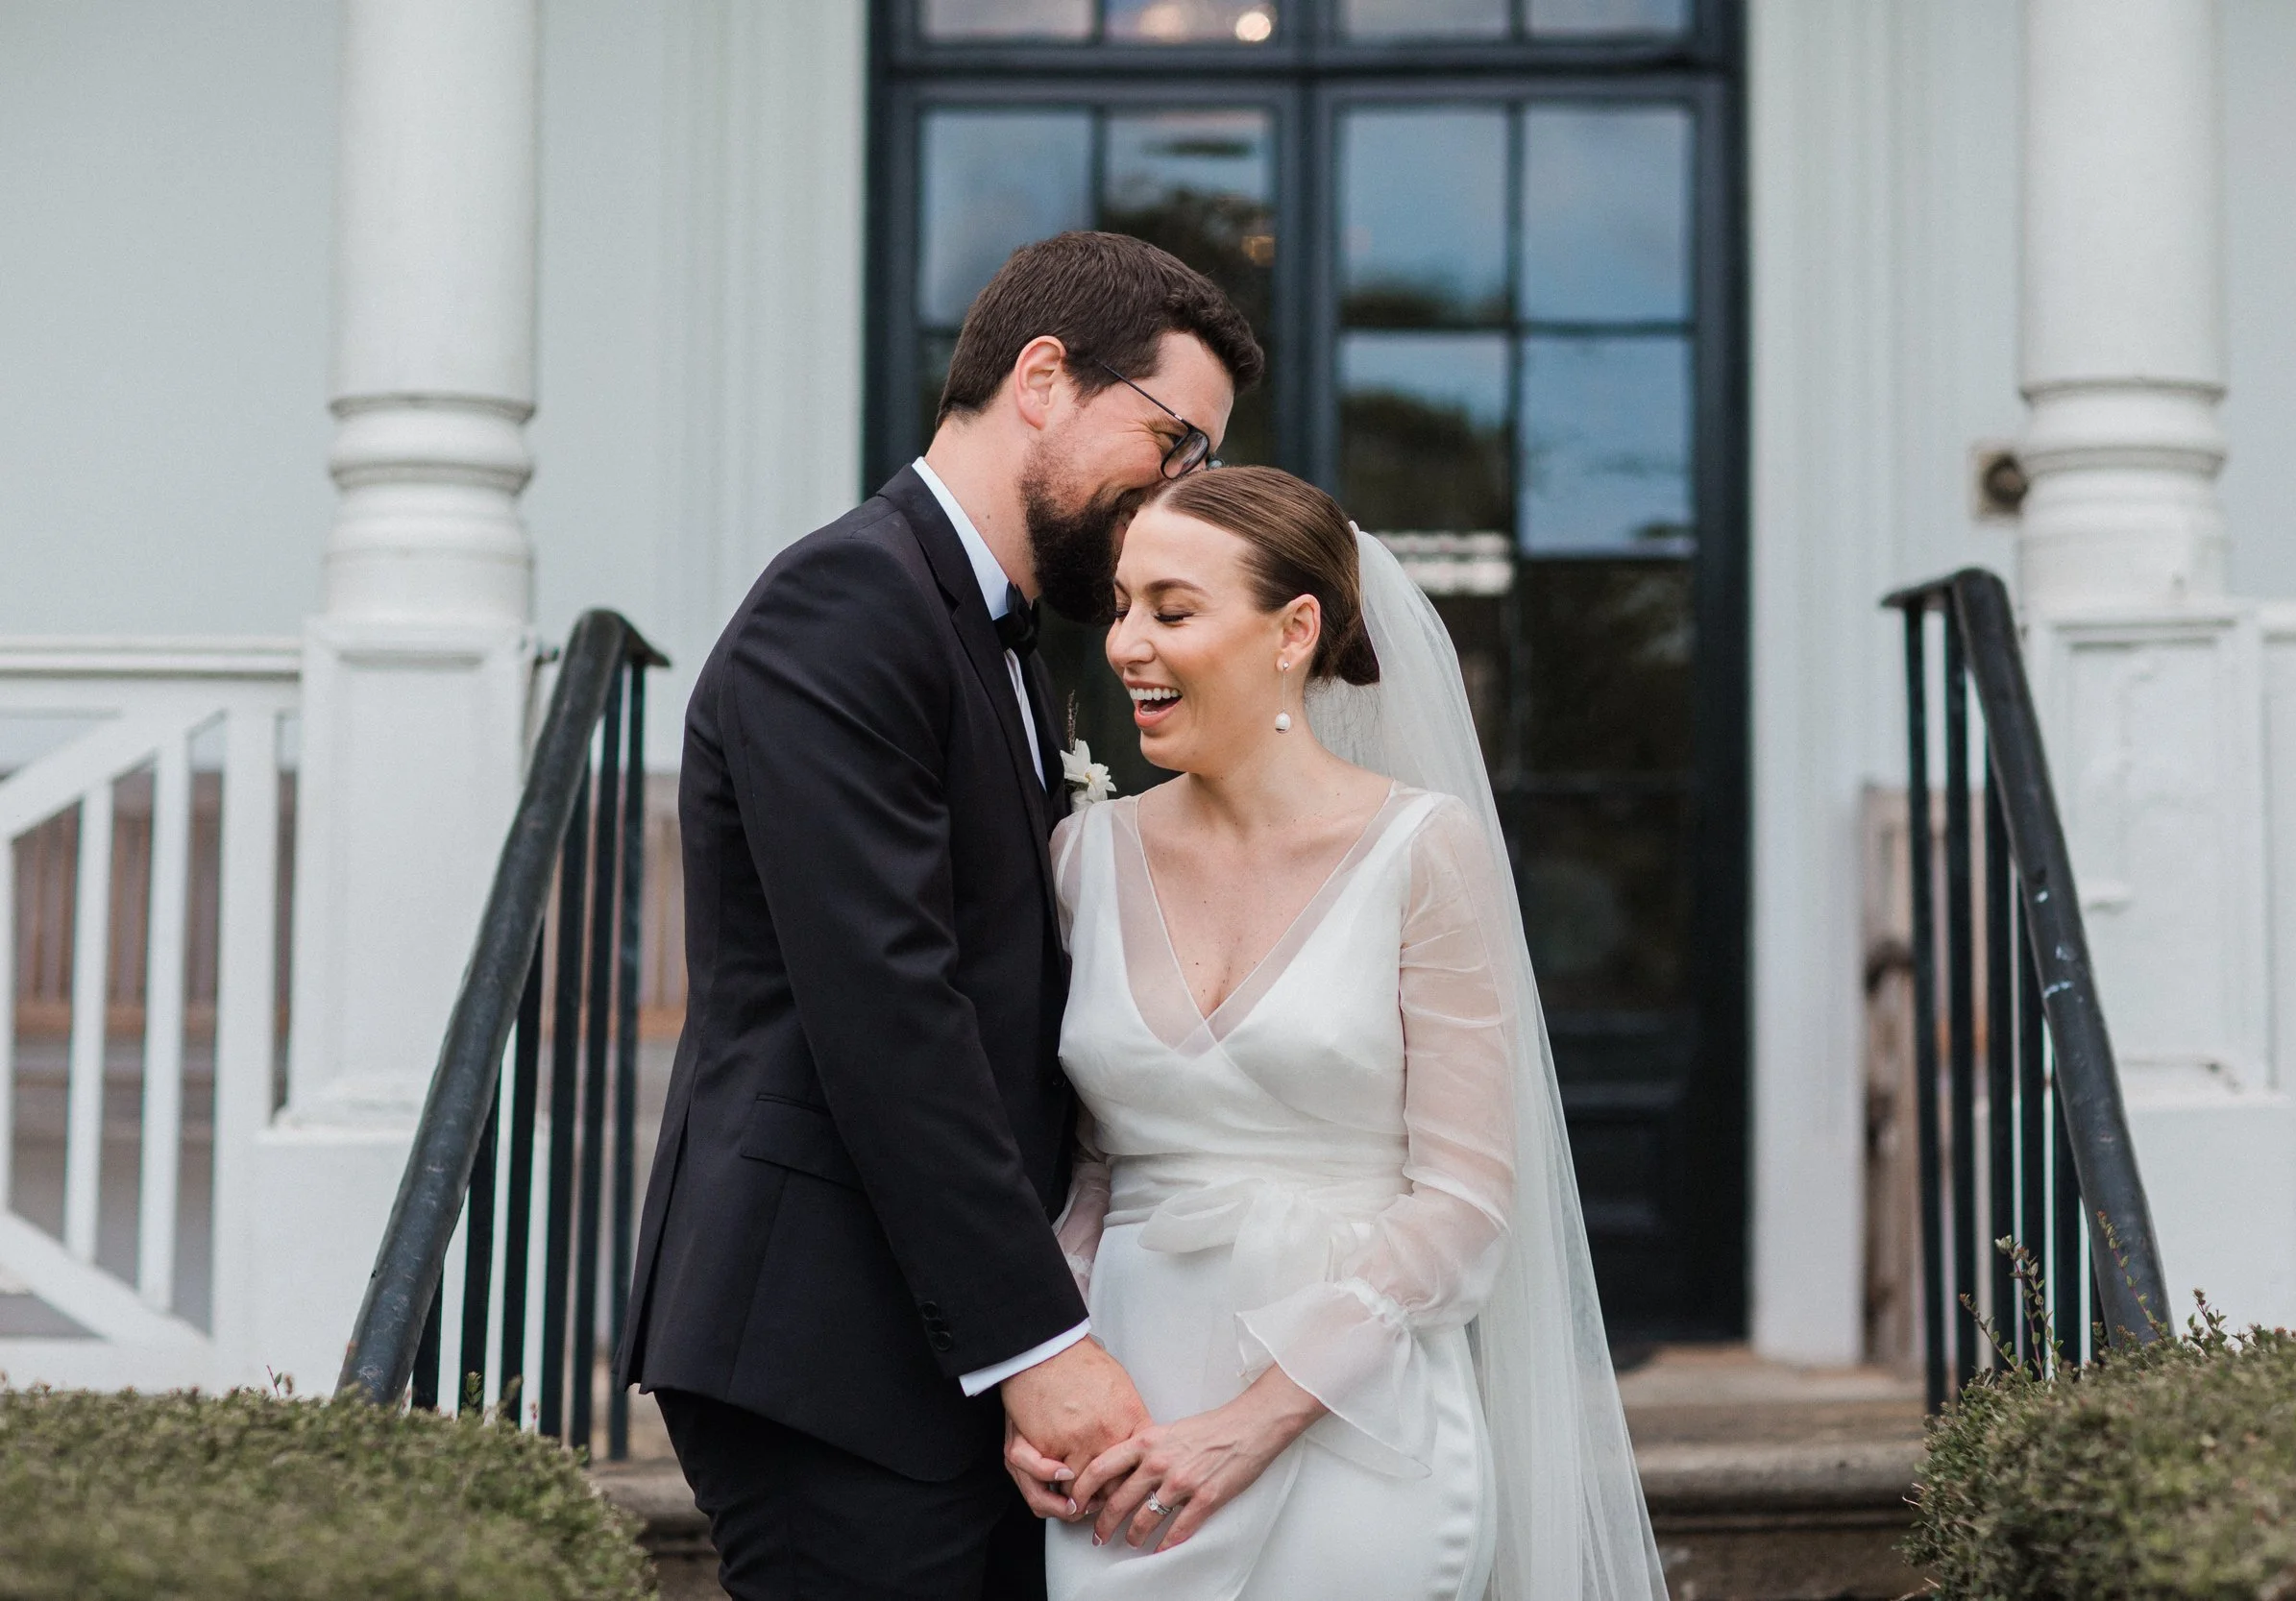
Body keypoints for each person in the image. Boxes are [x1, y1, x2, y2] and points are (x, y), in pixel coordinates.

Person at [615, 231, 1265, 1600]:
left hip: (926, 1328)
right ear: (1043, 379)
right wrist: (1037, 1342)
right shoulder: (846, 601)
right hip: (826, 1336)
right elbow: (888, 1002)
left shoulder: (1001, 640)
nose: (1179, 491)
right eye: (1174, 441)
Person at [1011, 467, 1670, 1600]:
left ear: (1292, 630)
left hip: (1357, 1417)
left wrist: (1253, 1420)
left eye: (1172, 609)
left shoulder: (1422, 850)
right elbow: (1091, 1174)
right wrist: (1042, 1369)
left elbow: (1462, 1202)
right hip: (1130, 1433)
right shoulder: (1086, 857)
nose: (1126, 643)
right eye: (1121, 606)